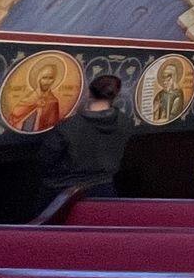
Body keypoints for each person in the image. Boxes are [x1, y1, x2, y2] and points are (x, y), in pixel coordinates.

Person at [35, 73, 133, 202]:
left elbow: (44, 159)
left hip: (64, 193)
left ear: (88, 93)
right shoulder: (125, 122)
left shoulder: (68, 126)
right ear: (116, 95)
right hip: (105, 189)